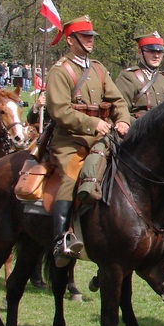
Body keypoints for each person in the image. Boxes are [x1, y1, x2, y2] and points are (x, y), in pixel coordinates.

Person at [45, 16, 130, 266]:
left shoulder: (98, 69)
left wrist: (123, 119)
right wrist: (93, 124)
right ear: (70, 40)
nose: (90, 41)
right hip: (70, 140)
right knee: (71, 177)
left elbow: (118, 101)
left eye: (92, 37)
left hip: (104, 137)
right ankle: (61, 240)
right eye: (85, 37)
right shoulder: (60, 71)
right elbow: (59, 110)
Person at [114, 31, 164, 119]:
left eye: (160, 52)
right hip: (139, 130)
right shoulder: (128, 77)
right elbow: (119, 110)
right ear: (140, 52)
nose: (156, 56)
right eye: (152, 51)